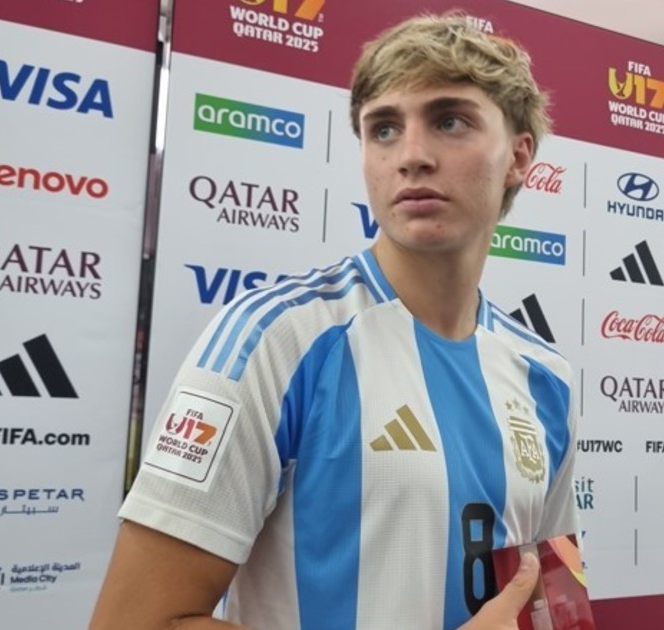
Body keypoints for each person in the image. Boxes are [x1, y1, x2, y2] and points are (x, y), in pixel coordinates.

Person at [90, 11, 579, 630]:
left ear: (518, 156)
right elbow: (132, 621)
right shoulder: (277, 339)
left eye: (450, 121)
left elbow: (549, 604)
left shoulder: (546, 377)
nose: (412, 156)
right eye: (384, 129)